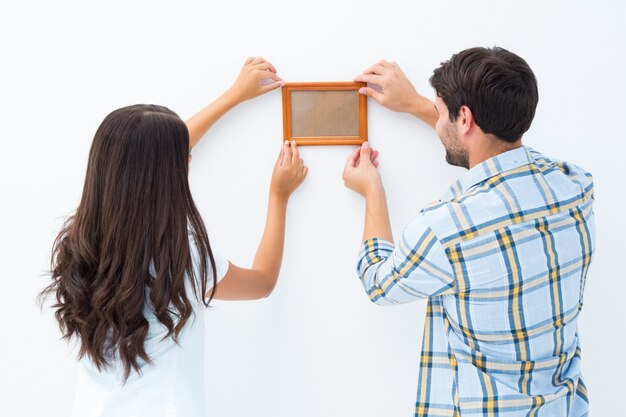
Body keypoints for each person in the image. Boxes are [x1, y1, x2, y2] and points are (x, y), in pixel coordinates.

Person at [40, 57, 308, 417]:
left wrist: (232, 96)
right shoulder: (182, 255)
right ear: (170, 173)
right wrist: (279, 196)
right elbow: (261, 282)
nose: (190, 159)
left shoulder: (80, 240)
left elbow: (142, 157)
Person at [343, 47, 594, 416]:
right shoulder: (575, 186)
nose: (436, 118)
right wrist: (414, 103)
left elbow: (379, 282)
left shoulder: (446, 229)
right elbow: (501, 153)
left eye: (439, 111)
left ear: (464, 118)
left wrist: (371, 190)